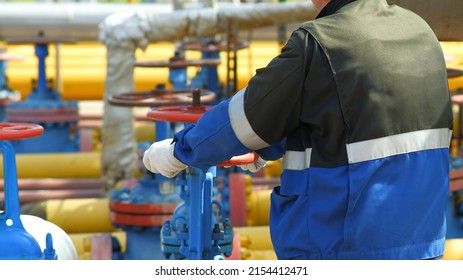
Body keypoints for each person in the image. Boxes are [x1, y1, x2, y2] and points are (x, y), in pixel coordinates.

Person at [143, 0, 453, 259]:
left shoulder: (321, 41)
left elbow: (246, 118)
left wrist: (179, 151)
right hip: (422, 243)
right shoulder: (420, 32)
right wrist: (267, 148)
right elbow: (350, 113)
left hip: (344, 246)